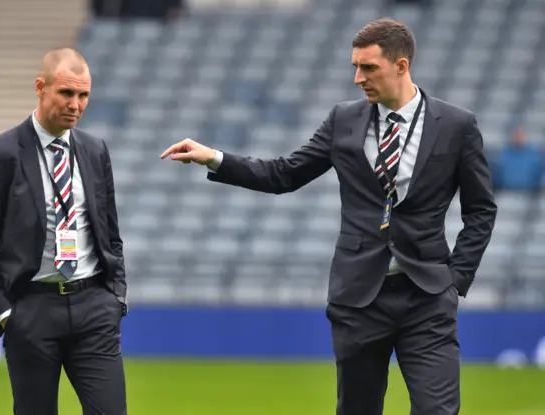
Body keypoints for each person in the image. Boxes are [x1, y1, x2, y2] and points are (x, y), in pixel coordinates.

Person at [161, 18, 497, 415]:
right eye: (355, 66)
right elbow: (283, 174)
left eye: (368, 67)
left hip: (427, 297)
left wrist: (455, 280)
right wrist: (216, 158)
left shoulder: (456, 125)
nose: (358, 78)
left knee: (438, 411)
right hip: (359, 300)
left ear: (401, 66)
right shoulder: (343, 120)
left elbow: (480, 209)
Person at [0, 47, 128, 415]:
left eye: (83, 94)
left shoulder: (95, 150)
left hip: (93, 310)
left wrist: (115, 298)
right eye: (66, 93)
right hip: (31, 313)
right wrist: (7, 315)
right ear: (41, 87)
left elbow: (110, 233)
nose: (76, 103)